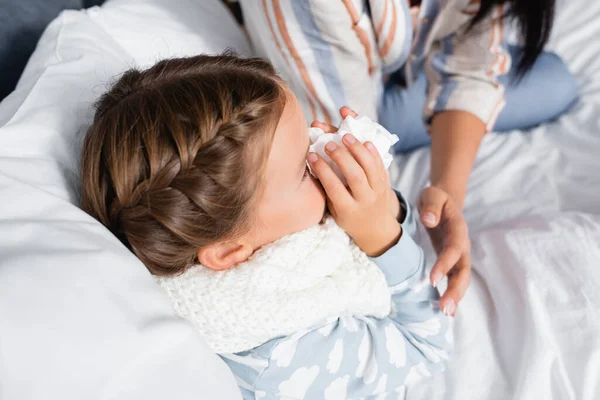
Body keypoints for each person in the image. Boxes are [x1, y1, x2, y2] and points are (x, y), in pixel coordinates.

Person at [80, 54, 453, 398]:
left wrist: (386, 206)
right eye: (303, 170)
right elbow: (428, 347)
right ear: (228, 251)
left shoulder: (249, 236)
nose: (320, 153)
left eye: (309, 137)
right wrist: (383, 237)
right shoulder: (280, 358)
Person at [235, 0, 579, 315]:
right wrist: (388, 230)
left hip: (381, 69)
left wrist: (447, 192)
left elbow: (471, 64)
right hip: (336, 75)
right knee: (352, 148)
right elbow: (344, 143)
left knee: (556, 79)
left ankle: (394, 98)